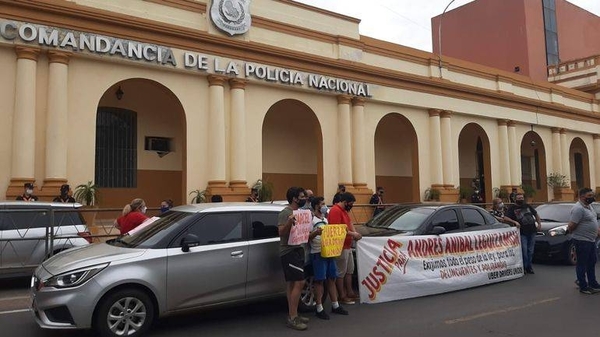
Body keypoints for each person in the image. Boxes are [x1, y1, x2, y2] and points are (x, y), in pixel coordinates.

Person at [309, 197, 348, 320]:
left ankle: (335, 305)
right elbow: (307, 237)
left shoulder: (325, 220)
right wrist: (316, 233)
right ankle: (319, 307)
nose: (325, 206)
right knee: (319, 280)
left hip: (329, 251)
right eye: (322, 204)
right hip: (318, 252)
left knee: (332, 278)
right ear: (316, 206)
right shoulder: (311, 221)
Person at [278, 187, 309, 330]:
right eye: (302, 196)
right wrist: (290, 221)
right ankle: (292, 317)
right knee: (300, 281)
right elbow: (282, 233)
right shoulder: (285, 213)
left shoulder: (301, 213)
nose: (304, 198)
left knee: (292, 283)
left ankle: (293, 313)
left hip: (298, 249)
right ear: (295, 198)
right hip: (288, 251)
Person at [328, 192, 362, 304]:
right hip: (340, 246)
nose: (351, 206)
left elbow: (349, 224)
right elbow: (337, 229)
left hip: (347, 245)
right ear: (344, 202)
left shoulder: (344, 211)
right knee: (341, 272)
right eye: (350, 203)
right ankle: (341, 295)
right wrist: (353, 234)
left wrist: (355, 233)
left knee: (349, 270)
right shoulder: (335, 211)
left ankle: (350, 292)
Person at [567, 187, 600, 294]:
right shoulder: (578, 209)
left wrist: (597, 231)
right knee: (582, 263)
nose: (592, 198)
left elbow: (593, 220)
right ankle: (583, 286)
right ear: (582, 197)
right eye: (589, 196)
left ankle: (593, 283)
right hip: (582, 240)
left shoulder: (589, 206)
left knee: (592, 262)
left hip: (591, 240)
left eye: (592, 195)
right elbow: (572, 225)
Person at [506, 193, 542, 274]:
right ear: (515, 199)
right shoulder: (512, 208)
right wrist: (514, 222)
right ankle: (524, 267)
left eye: (522, 197)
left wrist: (539, 223)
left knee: (531, 251)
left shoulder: (527, 206)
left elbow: (536, 214)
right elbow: (506, 217)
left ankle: (529, 267)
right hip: (522, 232)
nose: (520, 199)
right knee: (524, 251)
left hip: (532, 231)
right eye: (519, 198)